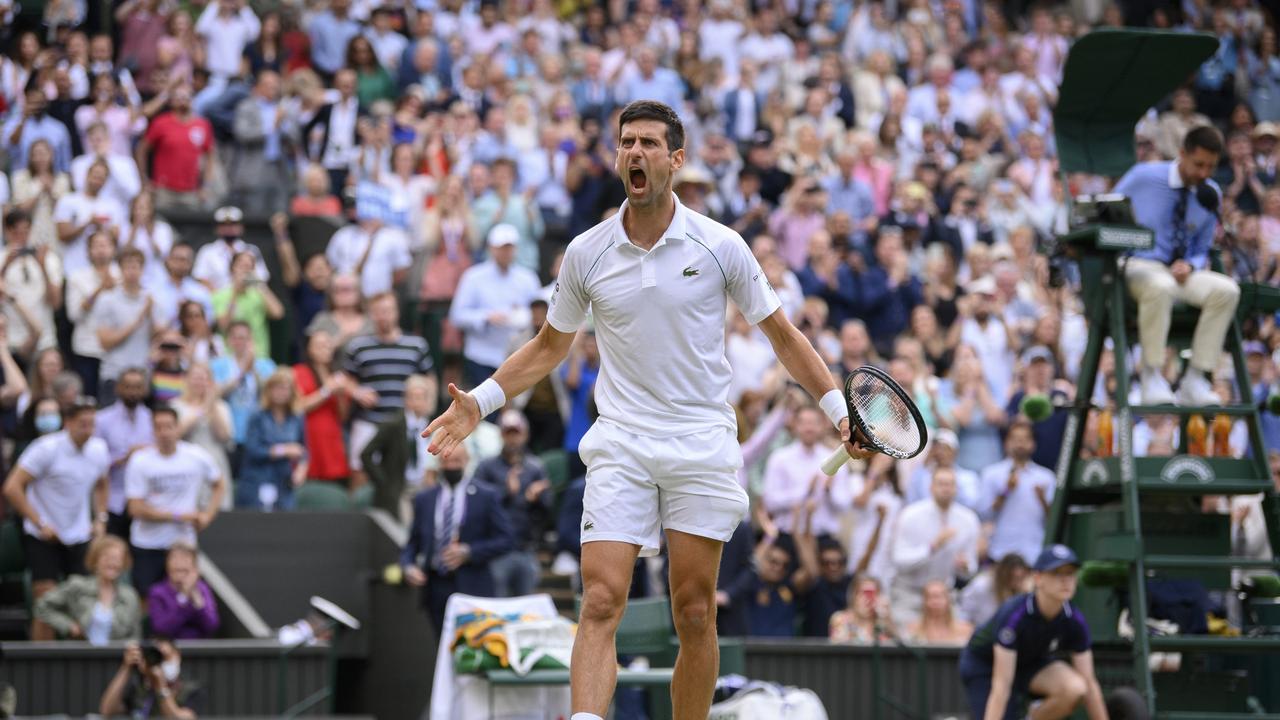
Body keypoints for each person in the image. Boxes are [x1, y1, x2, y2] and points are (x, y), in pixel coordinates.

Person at [424, 98, 871, 720]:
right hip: (622, 442)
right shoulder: (586, 252)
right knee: (601, 600)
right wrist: (482, 402)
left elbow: (784, 338)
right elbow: (550, 346)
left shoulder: (722, 246)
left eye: (649, 144)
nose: (635, 152)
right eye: (626, 142)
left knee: (694, 611)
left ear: (675, 160)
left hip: (700, 440)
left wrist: (836, 410)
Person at [1115, 125, 1241, 406]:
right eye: (1198, 164)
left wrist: (1191, 264)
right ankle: (1151, 376)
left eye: (1211, 166)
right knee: (1160, 286)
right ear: (1182, 153)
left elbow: (1202, 246)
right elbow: (1104, 211)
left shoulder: (1211, 193)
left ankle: (1195, 379)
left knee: (1227, 290)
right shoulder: (1143, 177)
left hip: (1180, 273)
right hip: (1139, 264)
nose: (1204, 173)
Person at [959, 545, 1107, 720]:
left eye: (1070, 574)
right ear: (1038, 578)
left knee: (1075, 688)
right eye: (1057, 573)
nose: (1066, 580)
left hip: (1028, 662)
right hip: (985, 665)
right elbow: (1001, 686)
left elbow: (1089, 683)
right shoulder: (1014, 614)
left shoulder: (1074, 619)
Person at [3, 397, 110, 640]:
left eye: (92, 424)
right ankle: (41, 666)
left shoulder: (99, 449)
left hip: (79, 534)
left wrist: (100, 519)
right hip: (43, 535)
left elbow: (103, 484)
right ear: (68, 422)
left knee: (83, 602)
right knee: (46, 601)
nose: (88, 430)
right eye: (83, 424)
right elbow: (12, 487)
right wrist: (40, 522)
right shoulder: (45, 449)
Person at [399, 443, 514, 631]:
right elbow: (412, 543)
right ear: (438, 463)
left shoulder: (486, 495)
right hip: (435, 584)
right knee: (440, 645)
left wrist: (470, 552)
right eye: (447, 461)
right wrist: (408, 566)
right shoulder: (425, 499)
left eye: (457, 461)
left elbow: (506, 539)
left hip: (473, 583)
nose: (451, 466)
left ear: (467, 461)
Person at [125, 406, 226, 594]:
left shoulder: (196, 456)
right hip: (147, 542)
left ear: (177, 428)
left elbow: (219, 484)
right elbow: (135, 508)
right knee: (146, 596)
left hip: (182, 543)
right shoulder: (140, 460)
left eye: (169, 426)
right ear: (152, 430)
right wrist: (180, 515)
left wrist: (207, 515)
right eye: (159, 427)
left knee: (184, 593)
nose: (164, 433)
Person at [449, 223, 542, 389]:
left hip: (518, 355)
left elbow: (540, 313)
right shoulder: (473, 277)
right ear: (491, 248)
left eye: (509, 248)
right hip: (481, 354)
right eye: (502, 248)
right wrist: (485, 317)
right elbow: (457, 315)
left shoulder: (528, 278)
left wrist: (523, 316)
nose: (506, 252)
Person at [472, 409, 552, 597]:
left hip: (526, 548)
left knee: (525, 609)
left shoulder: (535, 467)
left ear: (525, 434)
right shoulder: (486, 467)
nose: (513, 439)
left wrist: (536, 499)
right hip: (496, 552)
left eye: (517, 433)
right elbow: (476, 506)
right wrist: (506, 493)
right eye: (508, 433)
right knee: (496, 607)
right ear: (501, 434)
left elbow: (548, 511)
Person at [889, 467, 981, 627]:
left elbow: (971, 569)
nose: (946, 488)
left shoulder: (969, 520)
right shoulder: (910, 515)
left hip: (945, 598)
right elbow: (899, 561)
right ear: (931, 487)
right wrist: (932, 547)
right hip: (910, 595)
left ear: (956, 489)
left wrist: (964, 567)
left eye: (950, 484)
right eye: (941, 484)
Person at [33, 534, 142, 644]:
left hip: (116, 657)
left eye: (118, 559)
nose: (112, 562)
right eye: (107, 557)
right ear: (95, 560)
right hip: (82, 656)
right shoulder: (77, 586)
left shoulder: (130, 595)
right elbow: (43, 605)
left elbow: (135, 636)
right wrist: (68, 626)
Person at [980, 419, 1056, 563]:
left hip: (1034, 551)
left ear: (1033, 444)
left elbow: (1053, 520)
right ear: (1006, 443)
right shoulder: (991, 474)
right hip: (1001, 551)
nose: (1020, 444)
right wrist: (1006, 491)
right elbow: (985, 514)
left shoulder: (1046, 478)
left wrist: (1042, 500)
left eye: (1025, 439)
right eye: (1015, 439)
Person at [361, 373, 435, 518]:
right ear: (406, 399)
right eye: (413, 397)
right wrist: (384, 482)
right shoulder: (393, 425)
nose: (417, 402)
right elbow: (366, 454)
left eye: (421, 397)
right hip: (400, 490)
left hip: (424, 488)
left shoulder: (431, 425)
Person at [94, 367, 153, 541]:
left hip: (144, 501)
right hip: (113, 499)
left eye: (137, 387)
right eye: (128, 386)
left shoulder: (152, 420)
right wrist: (125, 458)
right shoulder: (102, 420)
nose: (133, 392)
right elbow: (96, 461)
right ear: (118, 388)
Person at [237, 369, 306, 510]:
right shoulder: (257, 415)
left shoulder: (296, 417)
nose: (282, 392)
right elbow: (252, 450)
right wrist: (283, 450)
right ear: (269, 390)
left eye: (286, 388)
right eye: (278, 387)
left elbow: (303, 449)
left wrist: (301, 469)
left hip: (285, 482)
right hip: (257, 480)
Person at [98, 636, 204, 718]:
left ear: (177, 655)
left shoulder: (190, 688)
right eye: (156, 658)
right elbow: (107, 710)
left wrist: (160, 685)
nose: (161, 663)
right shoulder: (138, 687)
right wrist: (126, 667)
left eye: (165, 657)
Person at [147, 544, 220, 639]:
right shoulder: (157, 592)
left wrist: (196, 598)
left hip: (200, 649)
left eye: (184, 558)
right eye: (174, 558)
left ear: (194, 567)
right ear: (167, 564)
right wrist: (184, 596)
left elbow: (211, 625)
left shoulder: (202, 589)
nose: (179, 563)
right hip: (170, 649)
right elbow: (162, 629)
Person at [829, 573, 896, 644]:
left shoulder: (881, 622)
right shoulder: (841, 619)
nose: (868, 599)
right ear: (854, 596)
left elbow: (898, 647)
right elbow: (839, 646)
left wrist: (887, 619)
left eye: (873, 594)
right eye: (865, 593)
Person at [905, 579, 974, 645]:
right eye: (930, 597)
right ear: (924, 601)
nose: (935, 602)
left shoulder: (965, 630)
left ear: (948, 599)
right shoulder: (913, 629)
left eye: (939, 596)